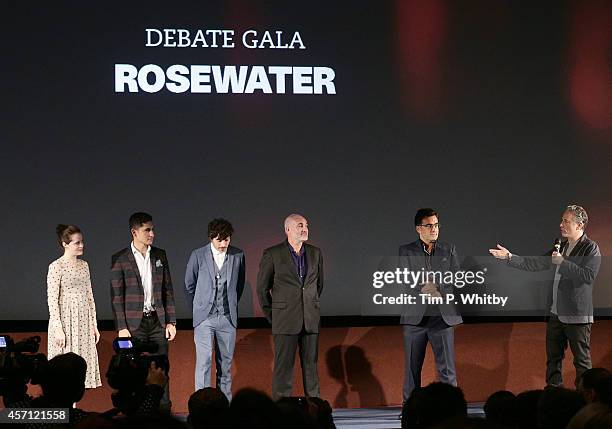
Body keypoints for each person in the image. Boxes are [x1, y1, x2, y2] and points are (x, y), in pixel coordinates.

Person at [489, 204, 601, 387]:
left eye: (566, 221)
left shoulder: (590, 248)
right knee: (553, 360)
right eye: (562, 220)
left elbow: (588, 276)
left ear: (580, 225)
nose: (561, 224)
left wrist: (563, 263)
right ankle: (553, 396)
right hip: (555, 314)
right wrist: (509, 257)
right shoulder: (561, 246)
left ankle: (585, 399)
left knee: (581, 362)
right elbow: (537, 263)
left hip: (577, 316)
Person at [111, 212, 177, 410]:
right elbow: (116, 296)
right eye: (147, 230)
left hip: (157, 321)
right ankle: (139, 413)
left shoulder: (159, 255)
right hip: (133, 325)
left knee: (162, 369)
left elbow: (168, 289)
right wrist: (121, 327)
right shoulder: (120, 258)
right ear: (134, 232)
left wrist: (171, 321)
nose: (152, 234)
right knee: (135, 372)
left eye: (152, 229)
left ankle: (164, 413)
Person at [257, 213, 324, 400]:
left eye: (306, 225)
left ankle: (315, 406)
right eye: (300, 225)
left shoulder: (315, 253)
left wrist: (310, 305)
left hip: (310, 319)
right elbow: (262, 289)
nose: (305, 229)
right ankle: (281, 408)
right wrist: (274, 316)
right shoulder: (273, 254)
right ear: (287, 230)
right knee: (284, 368)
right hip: (284, 320)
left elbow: (319, 285)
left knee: (311, 366)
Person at [399, 208, 462, 401]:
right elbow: (405, 279)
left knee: (447, 370)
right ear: (419, 229)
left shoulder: (448, 249)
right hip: (415, 318)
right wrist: (424, 287)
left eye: (436, 225)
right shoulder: (406, 250)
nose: (434, 229)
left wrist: (437, 286)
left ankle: (451, 409)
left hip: (442, 318)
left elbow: (458, 278)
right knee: (412, 370)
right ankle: (410, 409)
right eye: (429, 225)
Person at [184, 218, 245, 400]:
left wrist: (230, 305)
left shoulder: (238, 255)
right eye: (219, 240)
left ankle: (224, 407)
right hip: (205, 318)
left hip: (227, 318)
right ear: (211, 238)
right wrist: (199, 308)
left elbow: (239, 285)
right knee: (204, 363)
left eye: (226, 240)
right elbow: (189, 285)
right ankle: (202, 406)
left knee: (225, 365)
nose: (223, 244)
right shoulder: (198, 255)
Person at [47, 224, 101, 389]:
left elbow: (90, 296)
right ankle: (65, 410)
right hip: (65, 319)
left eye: (81, 241)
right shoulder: (56, 266)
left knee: (79, 368)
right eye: (77, 243)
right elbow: (52, 299)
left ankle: (74, 408)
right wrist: (58, 328)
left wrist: (94, 325)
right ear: (65, 244)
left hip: (83, 320)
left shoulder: (84, 265)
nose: (81, 245)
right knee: (64, 370)